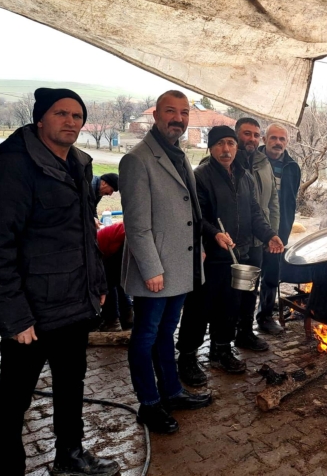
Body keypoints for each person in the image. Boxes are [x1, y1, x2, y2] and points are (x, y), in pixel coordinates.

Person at [0, 88, 119, 476]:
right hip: (32, 313)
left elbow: (85, 234)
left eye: (77, 115)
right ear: (41, 119)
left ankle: (69, 456)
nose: (71, 121)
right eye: (61, 113)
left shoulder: (78, 165)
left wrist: (98, 283)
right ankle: (10, 467)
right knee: (14, 396)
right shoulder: (13, 169)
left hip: (73, 304)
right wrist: (15, 317)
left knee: (71, 385)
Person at [119, 90, 213, 435]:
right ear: (156, 115)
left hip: (181, 263)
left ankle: (171, 392)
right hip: (157, 270)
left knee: (164, 334)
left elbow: (191, 211)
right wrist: (151, 269)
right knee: (144, 337)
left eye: (184, 112)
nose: (178, 118)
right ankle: (149, 404)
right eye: (171, 111)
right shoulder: (137, 159)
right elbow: (137, 224)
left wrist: (198, 245)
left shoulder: (177, 154)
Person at [178, 125, 284, 375]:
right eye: (220, 144)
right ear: (211, 147)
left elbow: (255, 212)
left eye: (230, 143)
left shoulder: (244, 176)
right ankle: (187, 357)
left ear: (236, 147)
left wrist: (270, 235)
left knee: (230, 305)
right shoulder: (200, 176)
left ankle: (221, 349)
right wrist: (214, 233)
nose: (226, 149)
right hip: (210, 256)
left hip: (238, 254)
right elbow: (195, 216)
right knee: (199, 307)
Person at [233, 117, 279, 347]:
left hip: (258, 239)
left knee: (251, 288)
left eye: (255, 135)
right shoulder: (228, 160)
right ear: (237, 134)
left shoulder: (263, 162)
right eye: (246, 133)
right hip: (233, 241)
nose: (251, 139)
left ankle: (244, 333)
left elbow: (273, 201)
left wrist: (272, 234)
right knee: (231, 290)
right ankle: (221, 339)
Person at [258, 123, 301, 334]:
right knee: (248, 273)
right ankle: (241, 321)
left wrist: (283, 232)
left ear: (287, 142)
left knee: (272, 274)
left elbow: (290, 203)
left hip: (278, 229)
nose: (278, 143)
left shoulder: (292, 167)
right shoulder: (252, 161)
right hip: (252, 228)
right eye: (273, 138)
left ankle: (265, 316)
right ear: (264, 140)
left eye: (282, 139)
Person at [96, 221, 133, 332]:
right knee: (115, 282)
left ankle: (112, 321)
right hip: (108, 248)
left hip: (116, 245)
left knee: (108, 283)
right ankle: (126, 317)